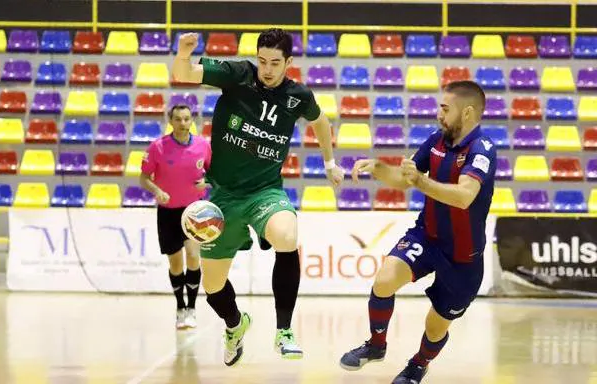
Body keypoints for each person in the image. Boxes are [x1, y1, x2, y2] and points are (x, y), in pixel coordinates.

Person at [172, 28, 344, 366]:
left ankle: (284, 331)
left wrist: (330, 162)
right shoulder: (238, 75)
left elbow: (321, 122)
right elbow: (183, 73)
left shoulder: (298, 96)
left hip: (265, 191)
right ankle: (235, 326)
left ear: (288, 62)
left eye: (275, 63)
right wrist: (183, 53)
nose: (267, 69)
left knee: (287, 235)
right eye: (263, 61)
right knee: (213, 286)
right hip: (222, 198)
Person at [339, 81, 496, 384]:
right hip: (427, 236)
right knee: (385, 279)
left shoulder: (482, 149)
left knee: (437, 325)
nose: (439, 114)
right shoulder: (437, 140)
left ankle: (418, 364)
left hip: (463, 257)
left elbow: (464, 196)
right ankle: (376, 345)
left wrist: (421, 183)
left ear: (467, 112)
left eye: (445, 108)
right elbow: (405, 178)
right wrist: (378, 167)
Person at [140, 104, 212, 330]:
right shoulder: (157, 148)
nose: (183, 123)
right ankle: (180, 307)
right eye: (178, 119)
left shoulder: (203, 146)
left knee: (193, 256)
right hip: (168, 212)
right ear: (170, 121)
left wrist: (207, 182)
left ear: (192, 121)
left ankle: (192, 308)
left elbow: (215, 174)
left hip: (195, 212)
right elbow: (143, 178)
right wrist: (157, 191)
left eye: (187, 119)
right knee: (175, 263)